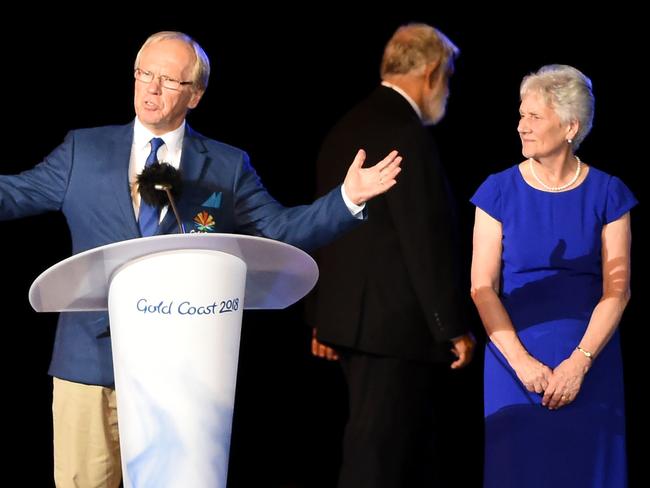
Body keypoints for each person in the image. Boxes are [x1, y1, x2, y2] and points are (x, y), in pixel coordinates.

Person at [0, 31, 402, 488]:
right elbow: (13, 194)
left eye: (169, 80)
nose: (151, 88)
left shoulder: (227, 167)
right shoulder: (82, 150)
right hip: (90, 365)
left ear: (195, 95)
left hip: (182, 372)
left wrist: (348, 198)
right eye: (145, 74)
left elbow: (281, 230)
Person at [307, 23, 475, 488]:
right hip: (393, 329)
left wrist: (321, 314)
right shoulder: (405, 132)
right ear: (433, 72)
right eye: (450, 76)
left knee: (402, 453)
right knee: (376, 458)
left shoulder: (345, 127)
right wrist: (451, 325)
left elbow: (322, 225)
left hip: (351, 323)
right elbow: (424, 239)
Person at [470, 64, 637, 487]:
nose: (521, 126)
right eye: (521, 114)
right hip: (514, 360)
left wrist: (578, 364)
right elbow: (482, 287)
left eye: (534, 117)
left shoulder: (608, 192)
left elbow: (617, 290)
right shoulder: (498, 190)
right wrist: (523, 363)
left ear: (569, 127)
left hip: (589, 360)